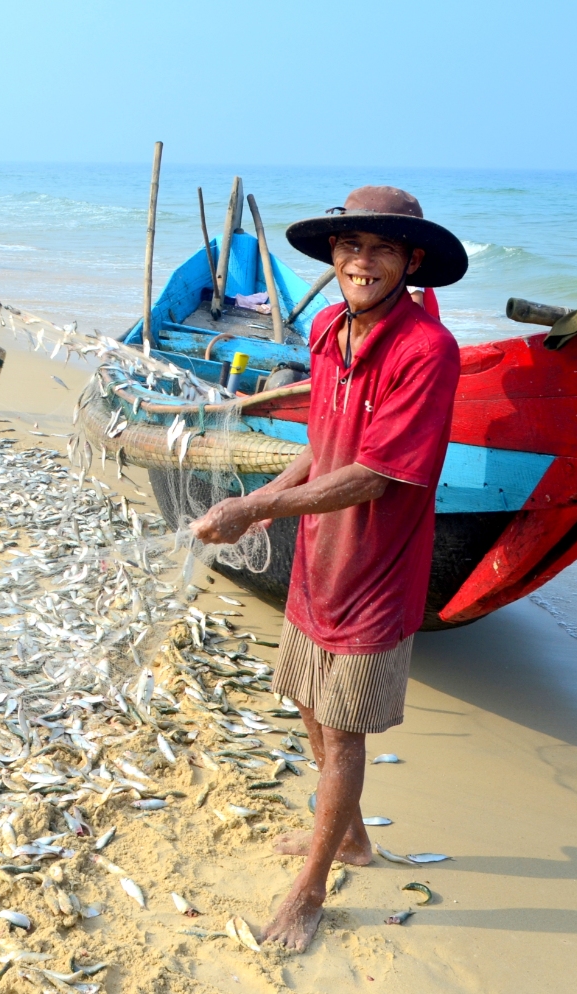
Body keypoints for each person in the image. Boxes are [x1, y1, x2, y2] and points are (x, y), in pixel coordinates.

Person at [189, 185, 467, 953]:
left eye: (381, 249)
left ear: (412, 261)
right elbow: (324, 442)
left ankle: (309, 891)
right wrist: (263, 500)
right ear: (333, 257)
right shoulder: (324, 329)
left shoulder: (427, 350)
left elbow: (374, 476)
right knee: (311, 707)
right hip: (318, 560)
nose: (362, 262)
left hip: (379, 571)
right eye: (350, 246)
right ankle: (350, 839)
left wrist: (259, 508)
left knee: (343, 735)